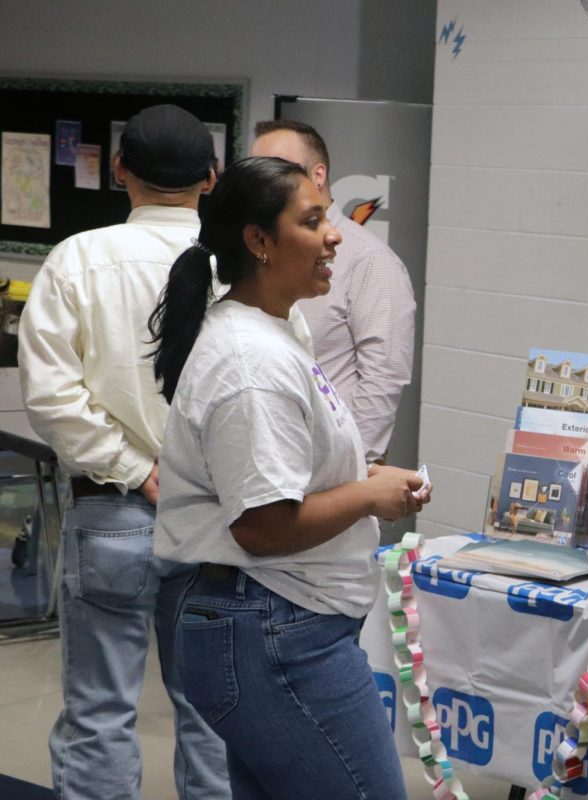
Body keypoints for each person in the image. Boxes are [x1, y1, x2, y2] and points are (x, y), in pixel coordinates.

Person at [148, 156, 428, 799]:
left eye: (327, 217)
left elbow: (280, 477)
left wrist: (364, 476)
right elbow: (263, 527)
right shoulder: (251, 360)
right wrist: (365, 495)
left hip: (275, 623)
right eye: (312, 221)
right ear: (259, 241)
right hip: (273, 630)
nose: (335, 235)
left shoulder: (276, 332)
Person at [18, 104, 230, 800]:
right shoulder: (243, 265)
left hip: (110, 520)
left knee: (100, 712)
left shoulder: (77, 259)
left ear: (118, 172)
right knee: (212, 717)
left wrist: (140, 473)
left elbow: (51, 400)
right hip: (220, 524)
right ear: (212, 175)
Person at [250, 119, 416, 463]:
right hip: (261, 456)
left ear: (318, 176)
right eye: (255, 170)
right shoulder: (259, 248)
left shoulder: (369, 260)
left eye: (278, 169)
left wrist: (349, 469)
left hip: (327, 469)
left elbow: (382, 380)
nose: (262, 181)